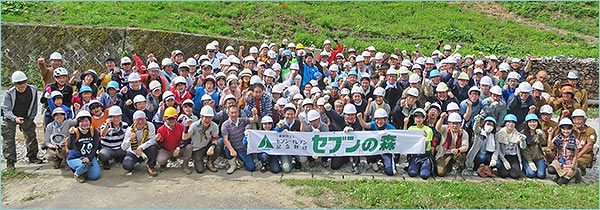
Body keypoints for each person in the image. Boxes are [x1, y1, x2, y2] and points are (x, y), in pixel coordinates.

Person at [2, 71, 43, 170]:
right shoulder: (9, 94)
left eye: (24, 82)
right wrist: (14, 118)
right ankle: (10, 161)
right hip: (11, 117)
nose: (22, 85)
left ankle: (32, 156)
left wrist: (31, 117)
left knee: (31, 136)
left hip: (26, 116)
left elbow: (34, 106)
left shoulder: (33, 90)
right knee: (8, 138)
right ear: (14, 84)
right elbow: (6, 110)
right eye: (19, 83)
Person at [221, 105, 259, 174]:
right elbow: (225, 140)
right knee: (227, 148)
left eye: (235, 112)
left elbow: (254, 119)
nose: (234, 114)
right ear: (228, 114)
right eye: (232, 113)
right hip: (232, 146)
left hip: (242, 148)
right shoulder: (225, 125)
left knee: (251, 168)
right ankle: (233, 164)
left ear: (238, 113)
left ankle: (240, 161)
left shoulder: (242, 120)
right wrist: (232, 150)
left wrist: (255, 114)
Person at [182, 106, 221, 173]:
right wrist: (186, 127)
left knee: (217, 148)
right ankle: (198, 161)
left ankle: (210, 162)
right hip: (197, 148)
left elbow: (215, 139)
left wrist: (212, 146)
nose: (208, 120)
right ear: (201, 117)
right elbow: (184, 137)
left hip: (207, 145)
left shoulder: (214, 126)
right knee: (200, 170)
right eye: (206, 117)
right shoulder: (194, 125)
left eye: (210, 118)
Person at [156, 107, 193, 174]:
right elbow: (160, 146)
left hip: (178, 148)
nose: (172, 121)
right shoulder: (161, 130)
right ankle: (164, 164)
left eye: (174, 118)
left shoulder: (181, 126)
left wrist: (178, 148)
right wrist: (158, 141)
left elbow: (187, 140)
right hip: (167, 149)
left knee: (189, 147)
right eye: (169, 119)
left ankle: (185, 164)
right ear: (165, 119)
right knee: (160, 159)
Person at [66, 111, 101, 183]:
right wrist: (71, 135)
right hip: (75, 158)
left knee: (95, 176)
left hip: (88, 157)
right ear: (78, 123)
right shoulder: (75, 131)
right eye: (82, 121)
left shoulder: (93, 131)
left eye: (86, 121)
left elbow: (95, 147)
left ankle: (84, 170)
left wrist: (89, 157)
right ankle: (77, 174)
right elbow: (70, 147)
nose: (84, 123)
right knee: (84, 165)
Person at [122, 111, 159, 176]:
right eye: (138, 119)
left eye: (143, 119)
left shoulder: (150, 125)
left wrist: (142, 147)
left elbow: (152, 140)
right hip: (133, 150)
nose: (140, 121)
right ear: (134, 120)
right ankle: (138, 160)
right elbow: (123, 147)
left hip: (146, 147)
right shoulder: (129, 130)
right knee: (126, 165)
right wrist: (130, 139)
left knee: (153, 148)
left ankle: (151, 166)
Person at [547, 118, 583, 185]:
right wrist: (550, 134)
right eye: (563, 128)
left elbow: (575, 156)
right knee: (550, 170)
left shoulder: (575, 141)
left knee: (561, 183)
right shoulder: (558, 138)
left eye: (568, 128)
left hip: (569, 164)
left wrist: (572, 168)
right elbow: (550, 145)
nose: (566, 131)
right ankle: (559, 175)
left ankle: (576, 172)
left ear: (571, 129)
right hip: (559, 161)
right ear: (560, 129)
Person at [435, 112, 469, 181]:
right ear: (449, 124)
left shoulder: (464, 133)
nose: (455, 126)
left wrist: (458, 150)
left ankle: (458, 171)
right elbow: (438, 128)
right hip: (445, 153)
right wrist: (442, 118)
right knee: (440, 173)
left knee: (462, 154)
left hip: (456, 153)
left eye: (457, 123)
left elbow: (465, 147)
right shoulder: (445, 129)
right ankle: (448, 167)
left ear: (460, 124)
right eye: (453, 123)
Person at [492, 114, 525, 179]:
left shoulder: (517, 134)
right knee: (504, 174)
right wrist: (504, 161)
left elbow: (523, 147)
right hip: (504, 156)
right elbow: (498, 149)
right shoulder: (499, 134)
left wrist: (522, 141)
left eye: (513, 122)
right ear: (505, 123)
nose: (511, 124)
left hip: (514, 156)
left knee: (515, 175)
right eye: (509, 122)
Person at [405, 108, 434, 179]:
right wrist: (405, 124)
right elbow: (405, 136)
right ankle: (417, 167)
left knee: (424, 175)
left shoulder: (428, 130)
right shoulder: (411, 128)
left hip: (425, 155)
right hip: (415, 155)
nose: (418, 119)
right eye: (416, 117)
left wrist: (424, 138)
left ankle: (425, 166)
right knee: (412, 173)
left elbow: (425, 146)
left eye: (420, 117)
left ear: (424, 118)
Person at [520, 114, 547, 179]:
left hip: (538, 157)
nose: (532, 124)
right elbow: (524, 149)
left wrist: (540, 135)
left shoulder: (540, 132)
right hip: (527, 158)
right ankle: (525, 167)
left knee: (541, 175)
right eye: (530, 122)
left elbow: (543, 142)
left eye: (534, 122)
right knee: (531, 174)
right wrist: (530, 161)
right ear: (527, 123)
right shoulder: (523, 133)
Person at [571, 109, 596, 176]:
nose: (577, 122)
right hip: (571, 153)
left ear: (584, 120)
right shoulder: (571, 129)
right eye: (575, 119)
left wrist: (577, 155)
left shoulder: (590, 131)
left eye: (579, 119)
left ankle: (580, 170)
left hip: (585, 154)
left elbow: (589, 145)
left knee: (577, 162)